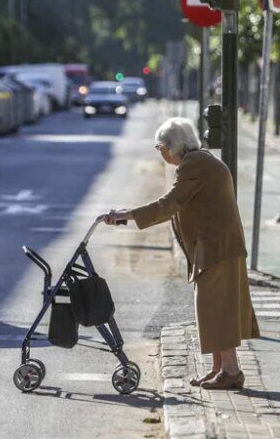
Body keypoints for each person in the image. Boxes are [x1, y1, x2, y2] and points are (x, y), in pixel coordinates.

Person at [102, 117, 259, 390]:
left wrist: (125, 215)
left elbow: (169, 204)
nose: (160, 152)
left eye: (160, 146)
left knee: (217, 309)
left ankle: (231, 371)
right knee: (212, 309)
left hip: (216, 249)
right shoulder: (200, 161)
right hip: (215, 248)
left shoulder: (194, 166)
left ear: (173, 146)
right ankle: (219, 368)